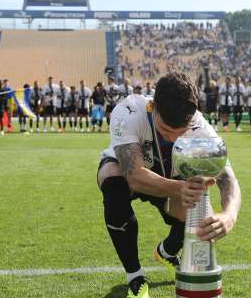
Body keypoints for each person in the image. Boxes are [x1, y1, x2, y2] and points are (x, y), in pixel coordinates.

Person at [96, 72, 241, 298]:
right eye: (165, 131)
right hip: (131, 172)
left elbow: (228, 178)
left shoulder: (200, 128)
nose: (173, 139)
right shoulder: (129, 111)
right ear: (153, 106)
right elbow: (134, 175)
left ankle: (167, 251)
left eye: (180, 133)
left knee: (204, 219)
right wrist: (179, 188)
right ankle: (135, 276)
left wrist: (229, 215)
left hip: (173, 179)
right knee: (112, 180)